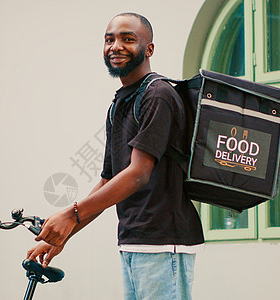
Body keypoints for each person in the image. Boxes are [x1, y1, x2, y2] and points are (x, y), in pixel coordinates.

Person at [27, 12, 204, 299]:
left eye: (127, 39)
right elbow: (109, 180)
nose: (116, 46)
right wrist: (65, 234)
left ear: (149, 49)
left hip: (163, 243)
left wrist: (71, 215)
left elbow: (137, 174)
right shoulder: (120, 103)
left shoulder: (158, 95)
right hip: (133, 242)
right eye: (109, 39)